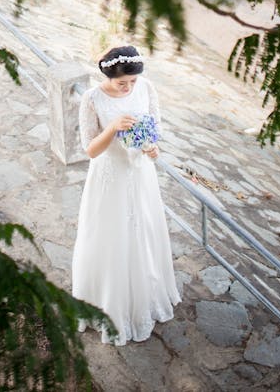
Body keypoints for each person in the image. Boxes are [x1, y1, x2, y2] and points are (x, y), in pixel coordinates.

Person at [71, 44, 180, 344]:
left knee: (143, 232)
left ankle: (146, 295)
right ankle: (110, 305)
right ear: (108, 75)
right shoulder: (92, 99)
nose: (129, 87)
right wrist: (113, 128)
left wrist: (154, 147)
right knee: (111, 237)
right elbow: (90, 150)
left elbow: (153, 126)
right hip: (110, 177)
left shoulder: (145, 87)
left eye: (132, 81)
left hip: (141, 173)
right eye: (122, 83)